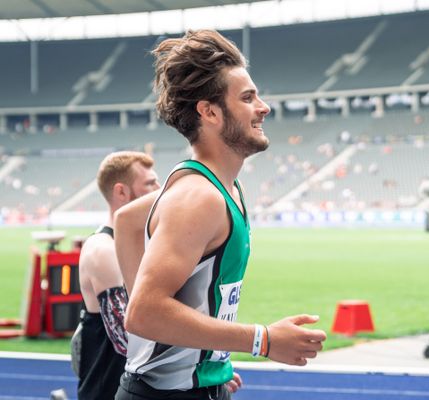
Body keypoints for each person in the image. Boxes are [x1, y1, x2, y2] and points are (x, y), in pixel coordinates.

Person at [114, 30, 326, 400]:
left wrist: (200, 359)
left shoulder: (216, 188)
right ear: (209, 112)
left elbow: (127, 221)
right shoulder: (198, 198)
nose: (264, 107)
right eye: (248, 98)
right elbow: (143, 313)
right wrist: (263, 340)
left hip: (190, 386)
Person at [77, 151, 160, 399]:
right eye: (150, 184)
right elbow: (129, 339)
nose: (160, 190)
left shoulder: (144, 244)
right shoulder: (103, 250)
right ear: (121, 192)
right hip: (108, 391)